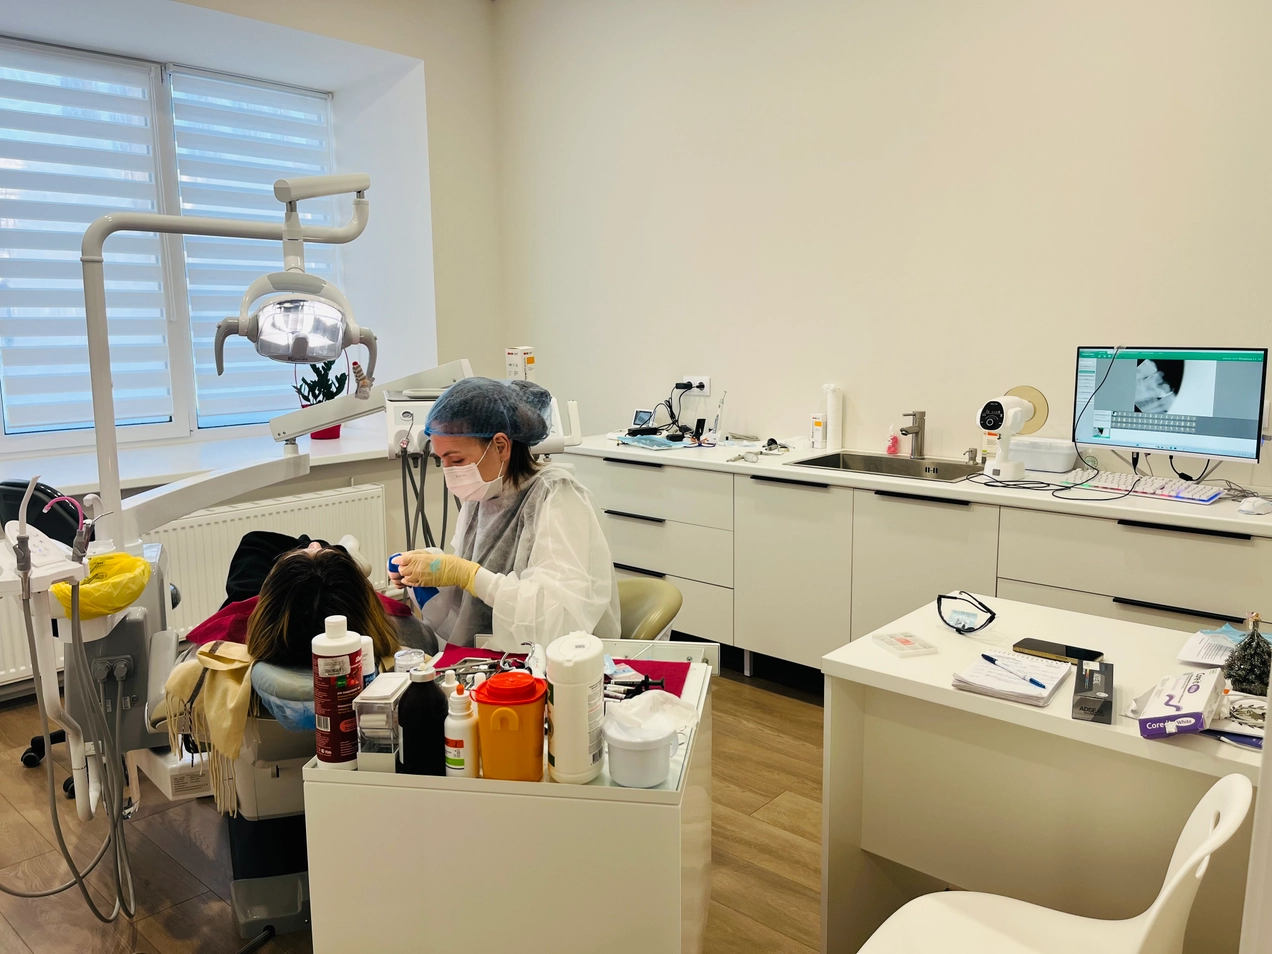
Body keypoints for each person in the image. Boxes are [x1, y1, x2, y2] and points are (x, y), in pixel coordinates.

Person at [393, 377, 620, 648]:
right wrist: (428, 570)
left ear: (501, 446)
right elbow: (471, 596)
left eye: (457, 460)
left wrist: (466, 573)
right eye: (441, 460)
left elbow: (556, 619)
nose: (449, 472)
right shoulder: (483, 494)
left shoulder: (558, 497)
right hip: (498, 656)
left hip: (562, 659)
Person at [187, 541, 437, 668]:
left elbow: (186, 665)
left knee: (253, 545)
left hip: (290, 599)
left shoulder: (212, 650)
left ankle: (341, 553)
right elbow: (428, 639)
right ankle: (344, 552)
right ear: (366, 598)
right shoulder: (412, 636)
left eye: (310, 549)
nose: (315, 545)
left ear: (266, 605)